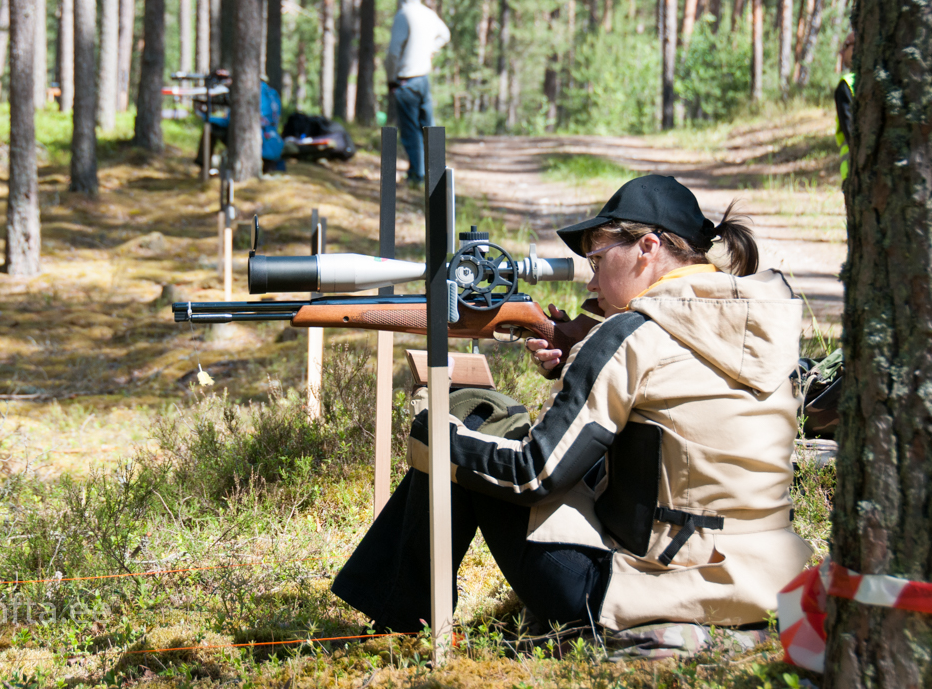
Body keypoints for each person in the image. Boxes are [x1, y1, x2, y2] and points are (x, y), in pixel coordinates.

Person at [332, 175, 811, 634]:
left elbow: (533, 474)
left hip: (647, 590)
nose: (591, 284)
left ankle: (400, 618)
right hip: (767, 585)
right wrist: (579, 364)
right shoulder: (758, 326)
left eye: (597, 261)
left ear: (648, 248)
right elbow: (679, 436)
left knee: (467, 415)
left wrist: (433, 432)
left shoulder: (630, 337)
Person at [384, 0, 450, 185]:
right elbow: (445, 35)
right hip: (423, 80)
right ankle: (435, 175)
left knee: (411, 131)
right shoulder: (428, 13)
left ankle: (417, 176)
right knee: (429, 128)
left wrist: (391, 79)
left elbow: (393, 52)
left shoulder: (404, 15)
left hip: (406, 81)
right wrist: (431, 49)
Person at [835, 32, 855, 180]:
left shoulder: (846, 85)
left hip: (853, 171)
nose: (841, 52)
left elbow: (850, 133)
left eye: (846, 46)